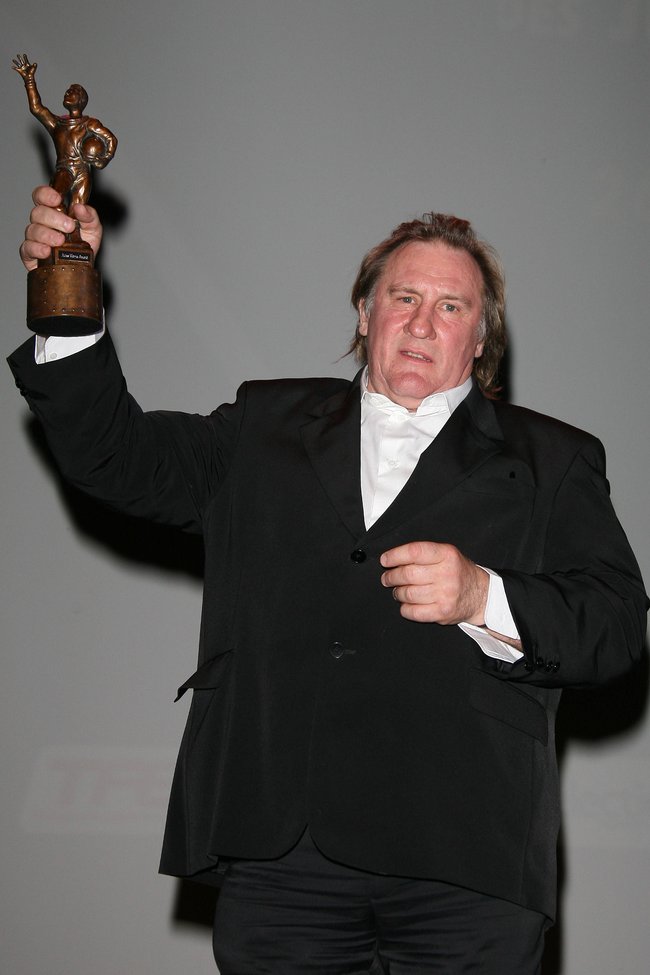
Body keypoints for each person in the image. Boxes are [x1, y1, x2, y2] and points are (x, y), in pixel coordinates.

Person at [10, 185, 648, 974]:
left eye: (452, 307)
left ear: (481, 340)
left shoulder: (555, 459)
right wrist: (65, 297)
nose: (421, 321)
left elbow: (618, 623)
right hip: (284, 857)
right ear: (363, 313)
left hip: (468, 857)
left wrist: (484, 594)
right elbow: (118, 457)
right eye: (403, 296)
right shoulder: (262, 425)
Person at [12, 55, 117, 212]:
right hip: (65, 170)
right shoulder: (57, 124)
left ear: (81, 100)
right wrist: (29, 81)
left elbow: (110, 139)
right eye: (68, 90)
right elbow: (36, 108)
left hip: (83, 173)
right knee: (54, 200)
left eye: (73, 91)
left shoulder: (89, 124)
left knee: (77, 213)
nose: (68, 93)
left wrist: (104, 159)